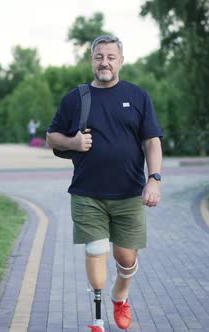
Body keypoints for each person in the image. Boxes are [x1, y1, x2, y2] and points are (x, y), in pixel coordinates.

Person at [46, 35, 163, 331]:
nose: (105, 62)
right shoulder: (76, 98)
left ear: (121, 60)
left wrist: (154, 180)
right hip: (88, 194)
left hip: (128, 194)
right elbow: (52, 136)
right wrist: (72, 141)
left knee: (126, 259)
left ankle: (120, 296)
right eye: (99, 57)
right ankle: (97, 319)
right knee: (95, 249)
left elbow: (152, 141)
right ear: (91, 61)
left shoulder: (138, 97)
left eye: (111, 57)